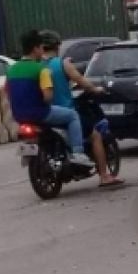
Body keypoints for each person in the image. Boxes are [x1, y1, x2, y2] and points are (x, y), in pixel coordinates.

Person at [39, 29, 123, 187]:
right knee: (95, 135)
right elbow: (80, 80)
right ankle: (104, 176)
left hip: (44, 113)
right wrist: (95, 89)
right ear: (57, 46)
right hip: (66, 111)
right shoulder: (62, 64)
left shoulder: (37, 67)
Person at [4, 29, 93, 167]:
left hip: (19, 116)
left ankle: (29, 153)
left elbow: (7, 92)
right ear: (35, 49)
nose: (42, 51)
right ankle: (78, 153)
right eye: (41, 47)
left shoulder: (11, 70)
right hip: (40, 113)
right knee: (73, 116)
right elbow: (48, 97)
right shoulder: (41, 70)